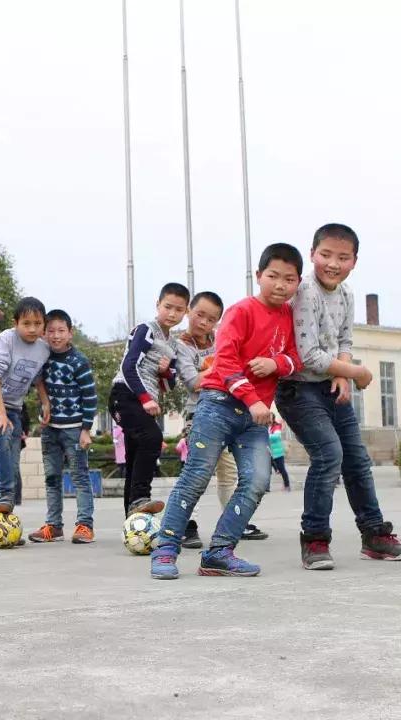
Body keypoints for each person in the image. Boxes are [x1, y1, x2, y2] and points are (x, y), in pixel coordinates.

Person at [150, 244, 304, 580]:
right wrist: (252, 399)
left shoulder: (290, 317)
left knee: (257, 480)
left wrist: (275, 363)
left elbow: (296, 359)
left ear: (298, 282)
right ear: (259, 276)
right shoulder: (240, 312)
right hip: (218, 406)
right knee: (195, 478)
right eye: (273, 276)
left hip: (254, 419)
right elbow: (226, 363)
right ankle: (164, 548)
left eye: (289, 279)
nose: (280, 285)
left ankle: (219, 552)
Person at [274, 223, 400, 569]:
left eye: (343, 257)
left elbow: (344, 341)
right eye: (326, 255)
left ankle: (374, 534)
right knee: (329, 455)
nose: (333, 263)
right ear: (312, 253)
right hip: (299, 389)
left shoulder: (346, 294)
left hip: (331, 386)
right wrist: (356, 373)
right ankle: (314, 539)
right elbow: (308, 354)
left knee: (357, 461)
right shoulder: (305, 292)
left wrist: (343, 374)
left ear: (354, 261)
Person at [172, 291, 266, 548]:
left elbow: (237, 363)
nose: (203, 322)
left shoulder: (220, 340)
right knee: (196, 473)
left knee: (229, 472)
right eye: (199, 314)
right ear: (189, 311)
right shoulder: (180, 345)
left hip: (231, 411)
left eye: (211, 319)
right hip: (200, 413)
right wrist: (224, 366)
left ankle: (235, 520)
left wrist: (224, 364)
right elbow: (194, 382)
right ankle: (184, 525)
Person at [109, 283, 188, 516]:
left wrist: (166, 372)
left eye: (179, 309)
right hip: (125, 395)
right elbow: (129, 365)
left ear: (185, 312)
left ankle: (132, 518)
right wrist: (145, 399)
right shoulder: (146, 330)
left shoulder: (173, 344)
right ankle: (141, 497)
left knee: (135, 456)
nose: (172, 313)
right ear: (158, 305)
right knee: (152, 437)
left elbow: (168, 385)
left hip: (144, 401)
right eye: (168, 307)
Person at [0, 297, 51, 515]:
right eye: (26, 324)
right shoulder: (5, 340)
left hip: (14, 407)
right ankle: (3, 495)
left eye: (37, 324)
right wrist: (0, 414)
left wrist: (45, 403)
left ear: (44, 324)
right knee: (2, 431)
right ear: (15, 323)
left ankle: (7, 513)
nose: (32, 329)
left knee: (13, 458)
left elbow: (39, 378)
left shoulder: (43, 348)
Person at [29, 309, 98, 544]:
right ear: (44, 333)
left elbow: (90, 397)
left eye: (61, 331)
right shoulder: (42, 357)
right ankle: (53, 526)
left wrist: (86, 429)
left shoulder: (79, 362)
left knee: (79, 478)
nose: (56, 336)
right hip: (50, 430)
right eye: (51, 331)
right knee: (51, 478)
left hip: (74, 429)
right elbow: (37, 384)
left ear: (70, 333)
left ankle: (84, 525)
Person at [268, 416, 291, 492]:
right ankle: (266, 487)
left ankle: (287, 485)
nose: (268, 419)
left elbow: (276, 437)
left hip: (278, 452)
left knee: (282, 469)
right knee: (267, 469)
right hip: (269, 452)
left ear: (273, 418)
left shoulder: (276, 426)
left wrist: (266, 437)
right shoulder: (267, 427)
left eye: (270, 417)